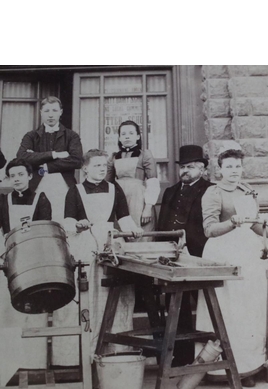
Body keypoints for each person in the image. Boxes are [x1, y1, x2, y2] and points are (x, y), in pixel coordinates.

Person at [195, 147, 268, 386]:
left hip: (250, 255)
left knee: (251, 311)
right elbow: (209, 229)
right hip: (225, 254)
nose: (234, 171)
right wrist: (232, 222)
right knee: (231, 312)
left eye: (238, 166)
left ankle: (251, 367)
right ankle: (227, 370)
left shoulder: (247, 190)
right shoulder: (213, 193)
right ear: (219, 169)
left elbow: (255, 225)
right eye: (229, 167)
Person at [51, 149, 143, 365]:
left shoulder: (114, 188)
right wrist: (78, 225)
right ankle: (77, 357)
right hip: (84, 246)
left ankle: (113, 352)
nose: (102, 169)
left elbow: (125, 217)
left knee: (113, 296)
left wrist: (133, 229)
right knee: (85, 298)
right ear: (85, 168)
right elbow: (68, 222)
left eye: (104, 166)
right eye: (97, 165)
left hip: (109, 244)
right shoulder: (75, 191)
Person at [155, 145, 214, 366]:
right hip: (172, 256)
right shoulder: (170, 191)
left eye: (190, 167)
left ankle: (208, 360)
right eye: (182, 167)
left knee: (207, 306)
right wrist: (161, 252)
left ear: (201, 168)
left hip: (200, 254)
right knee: (176, 307)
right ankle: (181, 359)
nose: (185, 171)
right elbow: (162, 225)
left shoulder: (210, 190)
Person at [0, 159, 52, 372]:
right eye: (13, 176)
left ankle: (35, 364)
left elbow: (45, 230)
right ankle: (11, 365)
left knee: (34, 307)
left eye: (21, 175)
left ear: (30, 176)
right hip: (10, 259)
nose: (17, 179)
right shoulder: (3, 200)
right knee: (9, 310)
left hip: (34, 260)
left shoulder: (41, 199)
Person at [17, 96, 83, 224]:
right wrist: (54, 154)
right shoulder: (31, 136)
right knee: (39, 222)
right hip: (37, 184)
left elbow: (77, 160)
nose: (51, 115)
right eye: (47, 111)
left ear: (61, 112)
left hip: (63, 185)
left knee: (63, 221)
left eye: (54, 110)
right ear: (41, 112)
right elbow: (21, 157)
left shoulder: (71, 136)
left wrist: (45, 164)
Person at [106, 120, 160, 240]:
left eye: (131, 133)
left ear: (137, 136)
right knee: (119, 234)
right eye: (123, 134)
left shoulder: (145, 155)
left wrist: (147, 208)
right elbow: (107, 183)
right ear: (119, 138)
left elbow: (153, 182)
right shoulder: (114, 157)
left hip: (138, 201)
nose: (127, 136)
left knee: (139, 235)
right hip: (118, 198)